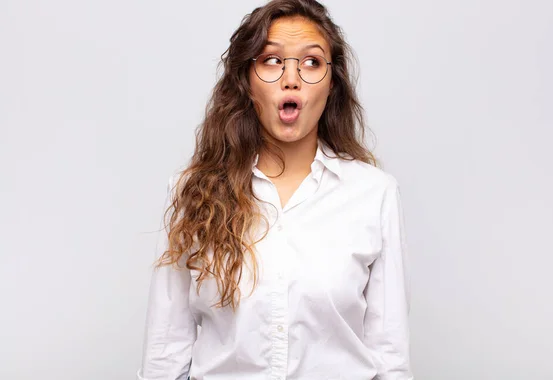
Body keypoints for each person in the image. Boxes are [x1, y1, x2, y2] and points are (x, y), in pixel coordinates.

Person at [137, 0, 413, 379]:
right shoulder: (192, 192)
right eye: (271, 60)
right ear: (246, 82)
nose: (291, 78)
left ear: (332, 85)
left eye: (312, 62)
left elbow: (389, 357)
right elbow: (165, 353)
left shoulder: (374, 194)